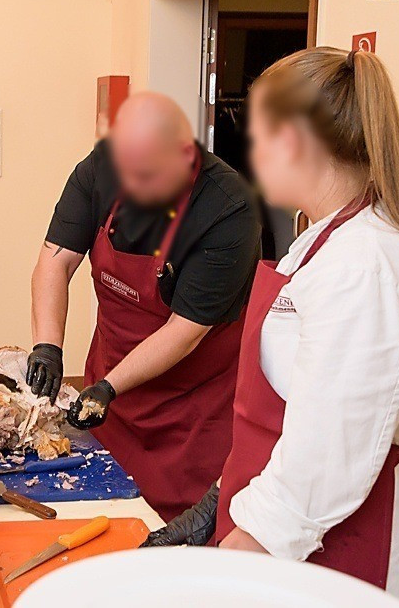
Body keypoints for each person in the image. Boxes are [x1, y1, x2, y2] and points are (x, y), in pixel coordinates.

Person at [144, 47, 399, 601]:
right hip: (313, 510)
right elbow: (296, 418)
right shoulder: (325, 242)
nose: (252, 154)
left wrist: (245, 547)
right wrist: (222, 500)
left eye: (258, 138)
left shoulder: (365, 263)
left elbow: (333, 448)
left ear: (291, 142)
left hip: (355, 530)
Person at [27, 92, 261, 520]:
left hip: (192, 411)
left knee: (182, 540)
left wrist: (109, 387)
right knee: (109, 518)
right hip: (110, 399)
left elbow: (184, 331)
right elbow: (54, 260)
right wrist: (48, 345)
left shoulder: (228, 210)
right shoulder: (98, 170)